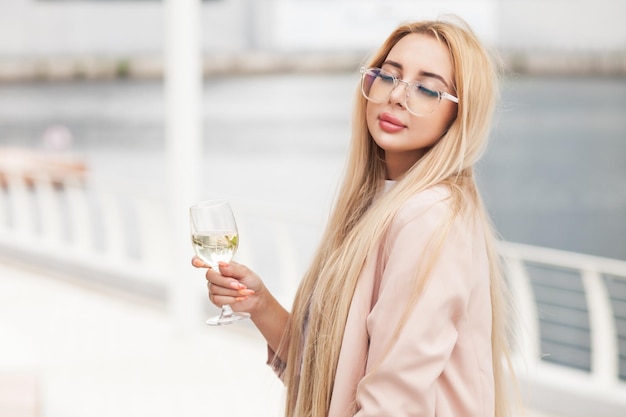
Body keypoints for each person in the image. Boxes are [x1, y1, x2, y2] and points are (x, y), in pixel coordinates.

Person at [193, 16, 515, 417]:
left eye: (428, 89)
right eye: (388, 76)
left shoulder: (428, 218)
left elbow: (393, 405)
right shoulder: (379, 203)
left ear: (459, 116)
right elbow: (334, 379)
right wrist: (259, 304)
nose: (397, 96)